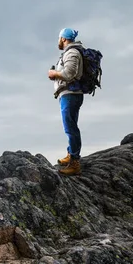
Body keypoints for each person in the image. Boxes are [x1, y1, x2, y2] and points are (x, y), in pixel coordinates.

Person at [48, 27, 85, 176]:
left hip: (71, 94)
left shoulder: (72, 52)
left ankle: (75, 162)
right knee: (71, 126)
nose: (58, 41)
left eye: (59, 38)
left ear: (63, 39)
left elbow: (69, 73)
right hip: (69, 94)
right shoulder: (70, 52)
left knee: (70, 128)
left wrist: (53, 73)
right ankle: (71, 154)